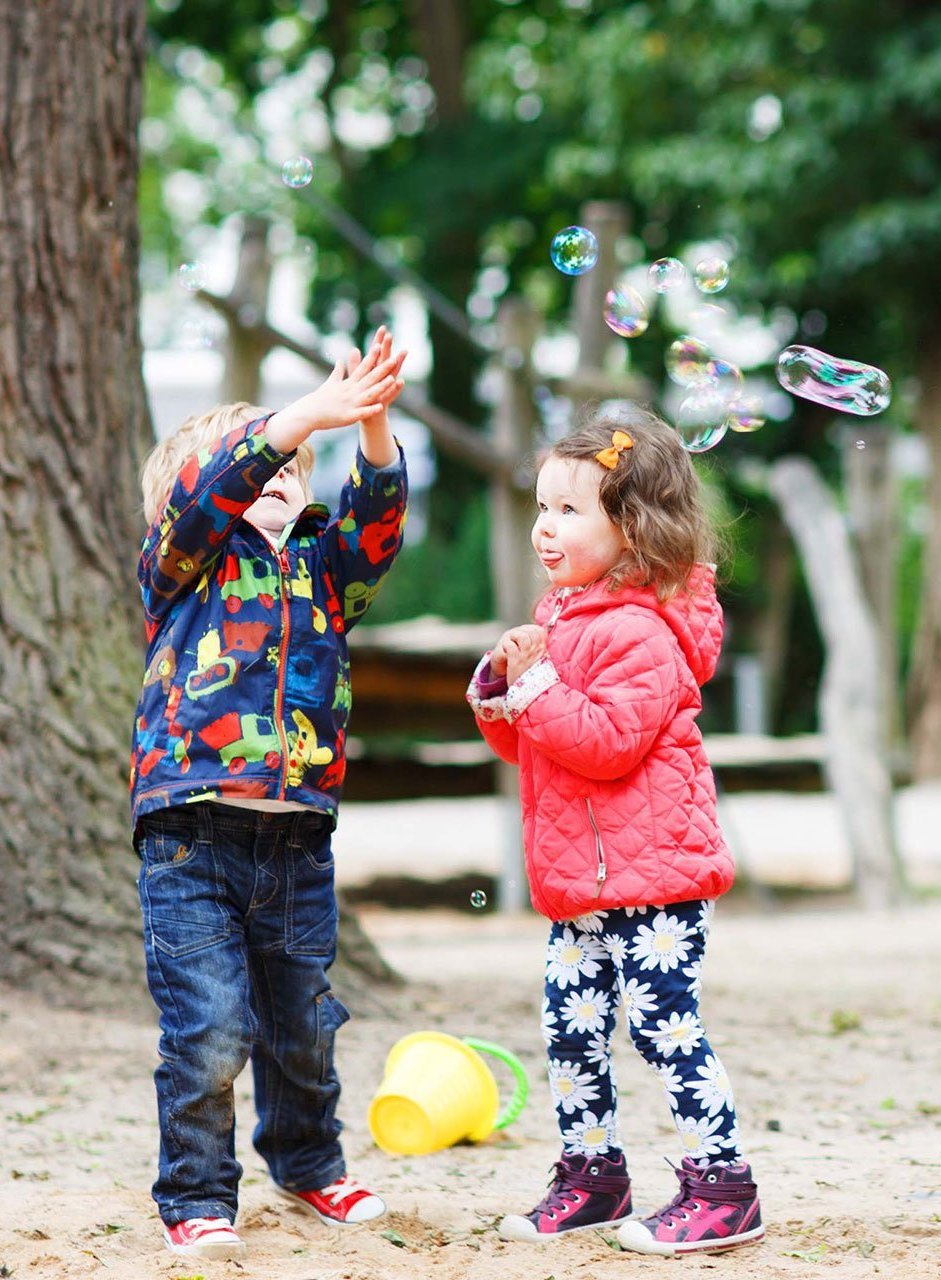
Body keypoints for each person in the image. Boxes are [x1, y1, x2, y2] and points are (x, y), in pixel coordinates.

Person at [131, 331, 409, 1260]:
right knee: (210, 1028)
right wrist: (290, 422)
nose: (282, 468)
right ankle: (199, 1196)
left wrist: (368, 425)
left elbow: (378, 519)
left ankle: (308, 1162)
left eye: (295, 463)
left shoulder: (327, 568)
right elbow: (208, 497)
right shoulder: (185, 566)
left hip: (296, 840)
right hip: (190, 830)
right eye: (264, 459)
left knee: (304, 1023)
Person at [466, 410, 763, 1257]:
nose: (545, 527)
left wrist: (534, 690)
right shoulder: (564, 617)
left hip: (657, 882)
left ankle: (723, 1186)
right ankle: (592, 1175)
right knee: (571, 1026)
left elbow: (604, 744)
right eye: (542, 506)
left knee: (662, 1024)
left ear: (631, 528)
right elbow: (534, 747)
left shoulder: (639, 630)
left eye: (569, 510)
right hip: (585, 884)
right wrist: (501, 689)